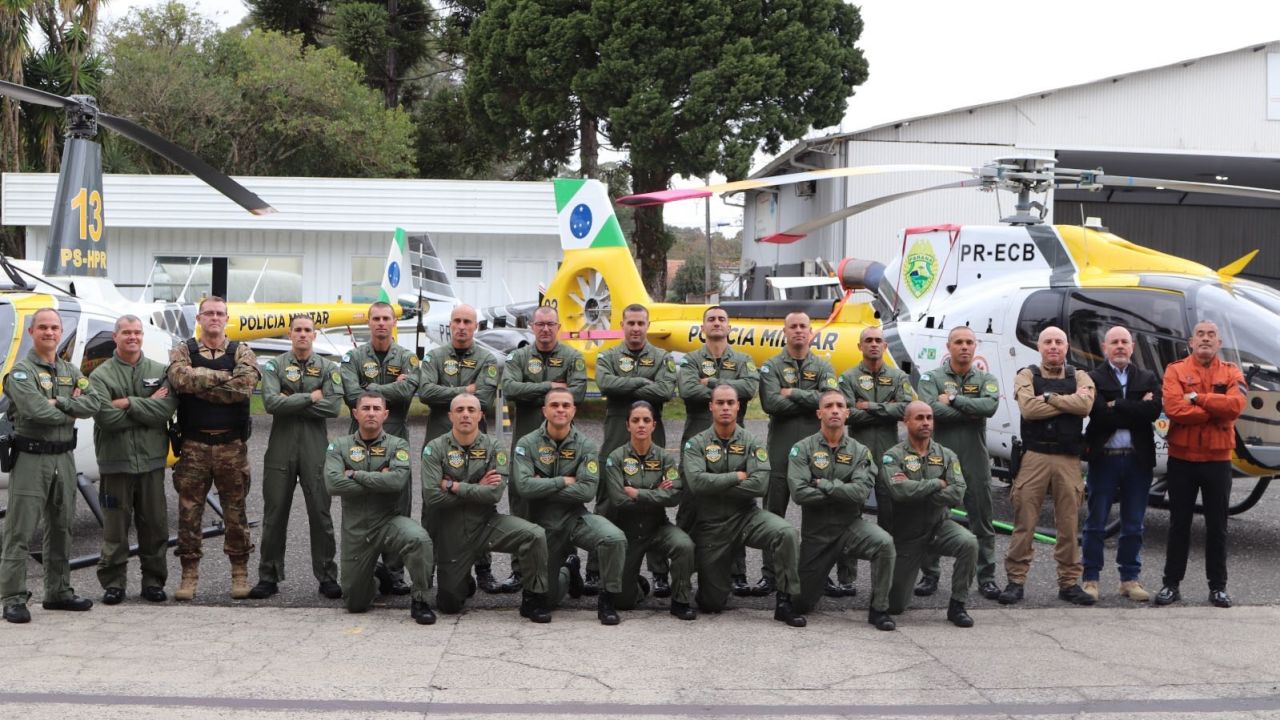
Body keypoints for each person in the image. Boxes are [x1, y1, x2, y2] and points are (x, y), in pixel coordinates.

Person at [0, 308, 101, 623]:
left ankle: (58, 592)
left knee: (62, 526)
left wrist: (60, 402)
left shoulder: (71, 370)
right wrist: (72, 407)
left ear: (60, 332)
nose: (49, 332)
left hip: (64, 459)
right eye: (42, 327)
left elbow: (95, 402)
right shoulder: (20, 373)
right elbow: (34, 411)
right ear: (32, 332)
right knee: (20, 530)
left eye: (54, 327)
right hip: (32, 458)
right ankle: (13, 598)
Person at [682, 385, 806, 627]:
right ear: (711, 407)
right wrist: (737, 476)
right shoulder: (696, 444)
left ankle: (785, 602)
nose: (726, 407)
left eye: (730, 402)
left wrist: (716, 484)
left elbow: (760, 485)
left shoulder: (751, 441)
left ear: (738, 406)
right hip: (712, 526)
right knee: (712, 604)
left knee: (786, 533)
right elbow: (697, 483)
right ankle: (718, 579)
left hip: (746, 517)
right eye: (720, 403)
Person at [422, 393, 552, 622]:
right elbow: (432, 497)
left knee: (534, 535)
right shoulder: (435, 449)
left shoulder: (494, 447)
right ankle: (464, 580)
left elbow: (494, 493)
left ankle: (534, 598)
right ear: (450, 415)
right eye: (460, 410)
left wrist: (452, 485)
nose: (465, 414)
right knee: (449, 604)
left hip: (486, 524)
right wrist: (476, 488)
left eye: (471, 410)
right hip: (452, 532)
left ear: (481, 415)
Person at [168, 296, 260, 602]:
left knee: (236, 513)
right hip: (194, 445)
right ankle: (189, 576)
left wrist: (201, 383)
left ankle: (239, 573)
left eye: (220, 313)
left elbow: (245, 386)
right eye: (209, 313)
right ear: (199, 317)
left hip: (231, 446)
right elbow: (180, 378)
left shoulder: (241, 351)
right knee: (188, 513)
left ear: (226, 317)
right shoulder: (184, 350)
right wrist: (224, 380)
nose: (215, 318)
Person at [512, 388, 627, 625]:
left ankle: (607, 601)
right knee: (549, 600)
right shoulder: (527, 443)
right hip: (542, 526)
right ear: (544, 410)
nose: (560, 409)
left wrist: (542, 485)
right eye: (554, 405)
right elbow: (524, 487)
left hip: (575, 518)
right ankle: (568, 569)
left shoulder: (585, 445)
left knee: (614, 538)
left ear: (574, 410)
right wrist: (564, 480)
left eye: (566, 405)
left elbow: (587, 490)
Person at [999, 326, 1096, 606]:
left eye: (1059, 342)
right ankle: (1015, 581)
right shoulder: (1026, 374)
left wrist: (1050, 398)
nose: (1053, 346)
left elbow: (1086, 406)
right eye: (1048, 342)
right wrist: (1069, 402)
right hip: (1034, 457)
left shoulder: (1080, 375)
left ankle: (1068, 583)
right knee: (1024, 523)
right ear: (1039, 347)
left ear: (1066, 347)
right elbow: (1028, 409)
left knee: (1068, 524)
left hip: (1068, 459)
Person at [250, 315, 343, 600]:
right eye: (298, 330)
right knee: (274, 513)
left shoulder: (329, 367)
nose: (302, 334)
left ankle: (327, 575)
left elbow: (334, 407)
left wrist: (291, 399)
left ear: (314, 335)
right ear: (289, 334)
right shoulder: (275, 366)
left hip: (315, 447)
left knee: (321, 513)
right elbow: (270, 403)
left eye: (307, 330)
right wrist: (311, 397)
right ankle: (268, 576)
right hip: (281, 446)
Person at [88, 315, 178, 606]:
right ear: (115, 337)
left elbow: (163, 412)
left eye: (137, 332)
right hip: (116, 463)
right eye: (126, 332)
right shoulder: (100, 376)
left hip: (151, 463)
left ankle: (153, 581)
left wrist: (126, 402)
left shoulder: (159, 370)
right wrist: (146, 403)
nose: (132, 337)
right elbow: (105, 417)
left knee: (155, 526)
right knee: (115, 529)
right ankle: (114, 583)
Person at [788, 390, 897, 630]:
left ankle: (879, 609)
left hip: (850, 528)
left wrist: (824, 484)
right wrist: (842, 490)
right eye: (829, 406)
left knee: (884, 543)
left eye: (840, 405)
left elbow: (860, 494)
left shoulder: (860, 451)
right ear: (819, 413)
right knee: (800, 603)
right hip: (817, 534)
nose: (835, 410)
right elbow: (799, 494)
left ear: (848, 413)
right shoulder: (802, 449)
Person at [325, 391, 436, 625]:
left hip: (389, 522)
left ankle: (420, 600)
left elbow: (397, 482)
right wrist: (378, 479)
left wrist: (355, 474)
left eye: (376, 409)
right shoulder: (339, 445)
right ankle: (377, 574)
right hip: (356, 529)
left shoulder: (398, 444)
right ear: (355, 413)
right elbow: (333, 484)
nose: (371, 413)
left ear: (385, 414)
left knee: (419, 539)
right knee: (355, 604)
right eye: (366, 408)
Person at [1156, 321, 1246, 608]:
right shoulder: (1175, 370)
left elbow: (1235, 407)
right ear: (1190, 342)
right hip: (1182, 460)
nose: (1206, 339)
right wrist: (1213, 410)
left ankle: (1218, 588)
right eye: (1200, 335)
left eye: (1211, 336)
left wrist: (1196, 398)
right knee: (1178, 524)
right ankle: (1171, 585)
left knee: (1217, 526)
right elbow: (1173, 408)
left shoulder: (1231, 371)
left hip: (1217, 462)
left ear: (1219, 343)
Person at [592, 303, 676, 596]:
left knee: (655, 494)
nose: (636, 328)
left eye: (641, 323)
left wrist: (625, 386)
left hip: (654, 429)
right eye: (631, 323)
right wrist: (643, 381)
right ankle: (595, 568)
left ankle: (659, 572)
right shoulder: (608, 355)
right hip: (616, 428)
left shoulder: (662, 357)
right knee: (607, 497)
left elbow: (666, 391)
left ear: (648, 325)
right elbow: (604, 383)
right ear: (622, 324)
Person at [501, 305, 587, 591]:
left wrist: (533, 388)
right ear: (532, 327)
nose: (546, 329)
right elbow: (510, 389)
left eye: (551, 324)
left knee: (564, 501)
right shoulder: (519, 356)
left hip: (565, 446)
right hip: (526, 442)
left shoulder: (572, 357)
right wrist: (552, 386)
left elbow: (578, 393)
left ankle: (568, 563)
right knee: (523, 503)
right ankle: (519, 568)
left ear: (558, 326)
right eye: (540, 324)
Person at [675, 305, 758, 597]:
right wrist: (729, 388)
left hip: (735, 440)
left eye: (722, 319)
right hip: (697, 435)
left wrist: (709, 383)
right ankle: (682, 571)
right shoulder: (690, 360)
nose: (717, 323)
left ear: (729, 327)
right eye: (711, 319)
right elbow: (687, 391)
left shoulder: (744, 359)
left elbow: (750, 388)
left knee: (736, 503)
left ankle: (737, 573)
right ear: (703, 327)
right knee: (690, 502)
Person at [339, 301, 419, 597]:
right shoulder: (353, 357)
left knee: (398, 502)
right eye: (376, 318)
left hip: (396, 430)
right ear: (369, 322)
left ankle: (395, 572)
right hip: (358, 436)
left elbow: (410, 389)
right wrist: (389, 389)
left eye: (387, 318)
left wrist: (369, 389)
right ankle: (364, 565)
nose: (382, 323)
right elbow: (350, 395)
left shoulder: (408, 358)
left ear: (394, 323)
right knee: (359, 498)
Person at [417, 304, 500, 592]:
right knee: (434, 504)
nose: (461, 326)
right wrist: (466, 392)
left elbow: (486, 400)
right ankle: (427, 569)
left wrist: (449, 394)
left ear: (475, 326)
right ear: (449, 325)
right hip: (439, 439)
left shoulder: (488, 360)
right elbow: (425, 392)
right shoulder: (435, 357)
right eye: (457, 321)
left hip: (477, 445)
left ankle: (484, 568)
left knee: (479, 502)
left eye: (467, 321)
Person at [915, 326, 1001, 600]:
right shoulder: (931, 378)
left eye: (969, 342)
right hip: (939, 459)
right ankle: (930, 575)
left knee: (982, 521)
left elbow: (988, 408)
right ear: (949, 347)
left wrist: (953, 399)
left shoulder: (986, 379)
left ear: (975, 347)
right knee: (931, 519)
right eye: (959, 342)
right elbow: (930, 412)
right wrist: (968, 408)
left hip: (974, 459)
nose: (964, 347)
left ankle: (986, 577)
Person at [756, 311, 837, 596]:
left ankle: (819, 573)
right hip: (781, 450)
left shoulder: (824, 366)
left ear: (811, 331)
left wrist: (792, 393)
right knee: (774, 513)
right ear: (785, 331)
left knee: (818, 515)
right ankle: (769, 573)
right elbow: (771, 403)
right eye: (794, 326)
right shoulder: (771, 366)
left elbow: (829, 403)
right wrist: (809, 398)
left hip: (817, 452)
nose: (799, 331)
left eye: (804, 326)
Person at [1082, 326, 1162, 602]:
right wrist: (1133, 406)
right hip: (1104, 460)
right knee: (1095, 522)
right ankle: (1090, 579)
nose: (1119, 346)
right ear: (1105, 347)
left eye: (1124, 342)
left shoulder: (1147, 377)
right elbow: (1099, 414)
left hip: (1137, 462)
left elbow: (1152, 412)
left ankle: (1129, 579)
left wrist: (1117, 404)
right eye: (1114, 342)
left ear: (1132, 347)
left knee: (1134, 524)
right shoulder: (1093, 377)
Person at [880, 401, 976, 627]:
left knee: (969, 543)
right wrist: (937, 483)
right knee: (894, 606)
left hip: (939, 526)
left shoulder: (947, 455)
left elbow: (958, 492)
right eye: (920, 418)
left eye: (929, 418)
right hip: (907, 533)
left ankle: (957, 606)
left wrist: (919, 490)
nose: (926, 423)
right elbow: (899, 491)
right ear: (906, 422)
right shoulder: (893, 456)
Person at [835, 326, 913, 597]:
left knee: (891, 518)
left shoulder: (898, 376)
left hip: (890, 458)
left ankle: (888, 579)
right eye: (868, 340)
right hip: (855, 456)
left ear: (885, 346)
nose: (874, 344)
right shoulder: (848, 377)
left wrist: (868, 406)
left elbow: (905, 409)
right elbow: (846, 414)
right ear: (860, 346)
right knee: (849, 515)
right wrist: (885, 409)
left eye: (879, 340)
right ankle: (846, 579)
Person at [602, 401, 697, 620]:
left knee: (684, 545)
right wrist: (656, 492)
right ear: (627, 425)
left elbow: (674, 496)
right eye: (635, 420)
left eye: (646, 420)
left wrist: (637, 493)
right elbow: (618, 500)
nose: (641, 425)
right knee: (623, 602)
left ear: (654, 425)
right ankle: (638, 584)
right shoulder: (616, 458)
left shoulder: (665, 458)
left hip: (658, 526)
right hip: (628, 531)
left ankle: (680, 600)